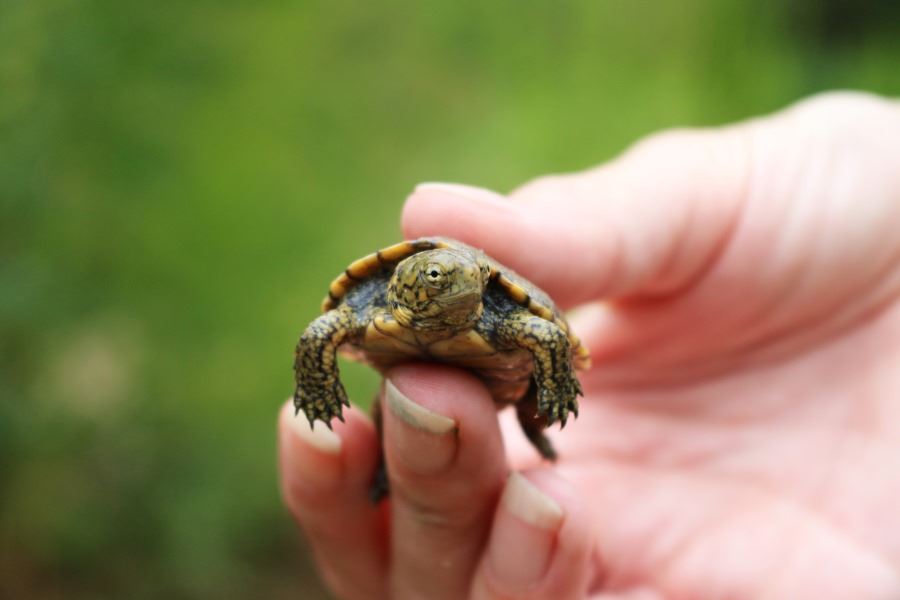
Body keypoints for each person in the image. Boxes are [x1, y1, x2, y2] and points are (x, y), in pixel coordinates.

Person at [278, 91, 900, 600]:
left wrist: (552, 385)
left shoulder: (498, 317)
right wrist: (318, 381)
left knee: (446, 433)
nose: (462, 279)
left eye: (468, 277)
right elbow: (322, 330)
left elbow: (547, 333)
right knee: (397, 420)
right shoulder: (375, 303)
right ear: (408, 283)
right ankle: (384, 468)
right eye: (440, 276)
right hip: (414, 371)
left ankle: (530, 425)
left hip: (501, 377)